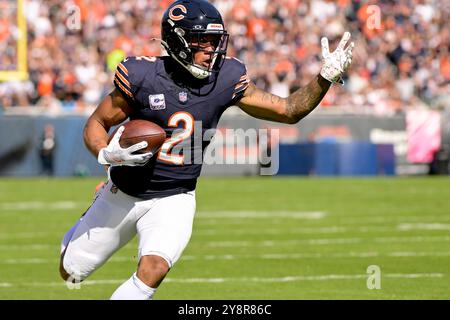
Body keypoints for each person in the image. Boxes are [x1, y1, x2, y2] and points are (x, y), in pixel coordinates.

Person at [59, 0, 353, 300]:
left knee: (154, 269)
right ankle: (88, 217)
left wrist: (324, 79)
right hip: (123, 192)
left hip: (176, 196)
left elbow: (289, 110)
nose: (211, 50)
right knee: (71, 272)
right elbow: (96, 123)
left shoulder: (225, 78)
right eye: (202, 41)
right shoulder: (142, 76)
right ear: (177, 39)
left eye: (215, 41)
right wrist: (107, 154)